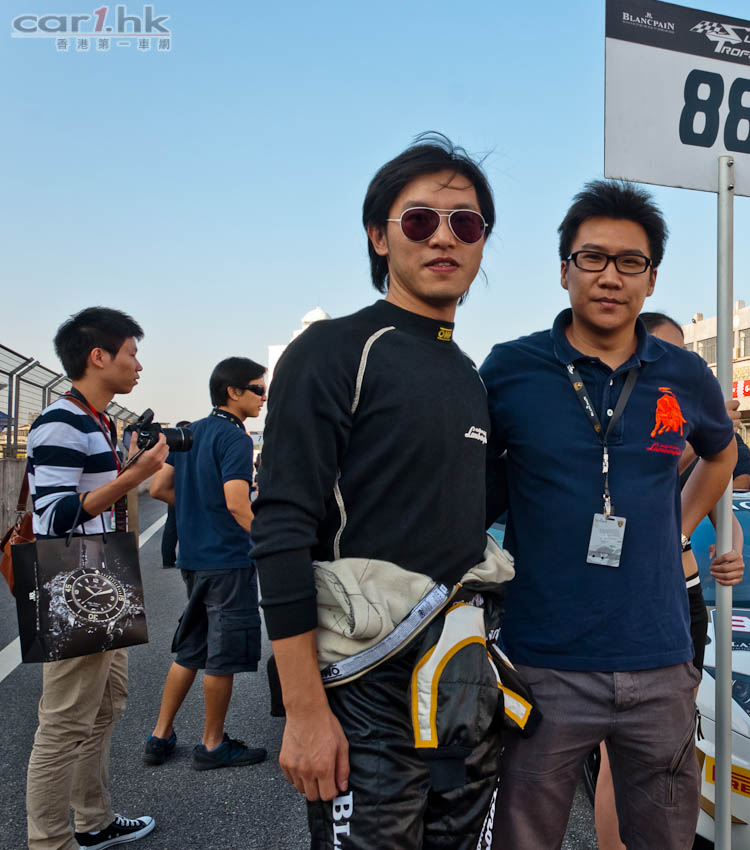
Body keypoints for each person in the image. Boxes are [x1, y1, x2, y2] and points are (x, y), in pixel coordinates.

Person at [251, 133, 507, 849]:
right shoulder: (334, 350)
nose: (444, 237)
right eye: (419, 220)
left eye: (466, 222)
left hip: (458, 676)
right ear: (378, 236)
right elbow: (280, 530)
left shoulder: (469, 374)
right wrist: (305, 712)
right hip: (362, 684)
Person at [481, 180, 743, 850]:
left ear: (651, 279)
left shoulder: (684, 373)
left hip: (660, 660)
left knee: (665, 838)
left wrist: (678, 528)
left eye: (631, 262)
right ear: (563, 269)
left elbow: (721, 454)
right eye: (592, 258)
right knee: (524, 838)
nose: (610, 276)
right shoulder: (510, 370)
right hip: (542, 661)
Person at [588, 311, 745, 850]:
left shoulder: (695, 423)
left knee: (671, 746)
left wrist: (732, 552)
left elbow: (726, 511)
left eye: (682, 353)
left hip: (684, 599)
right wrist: (703, 434)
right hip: (620, 598)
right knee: (617, 751)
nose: (673, 364)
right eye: (661, 350)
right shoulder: (608, 420)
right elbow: (640, 474)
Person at [25, 307, 168, 850]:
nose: (138, 365)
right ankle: (50, 842)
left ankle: (94, 820)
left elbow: (96, 502)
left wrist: (129, 466)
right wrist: (135, 475)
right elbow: (55, 516)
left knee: (108, 704)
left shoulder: (99, 421)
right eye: (132, 353)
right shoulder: (61, 421)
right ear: (99, 356)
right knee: (63, 723)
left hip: (105, 571)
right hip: (74, 578)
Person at [144, 359, 268, 770]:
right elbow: (237, 503)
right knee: (222, 654)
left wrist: (198, 506)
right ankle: (212, 744)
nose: (264, 397)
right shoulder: (236, 437)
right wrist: (272, 544)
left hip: (193, 558)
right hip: (227, 559)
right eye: (258, 389)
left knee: (190, 649)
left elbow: (158, 487)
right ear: (234, 392)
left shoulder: (190, 432)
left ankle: (160, 735)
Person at [158, 421, 190, 569]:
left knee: (171, 526)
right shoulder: (190, 450)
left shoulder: (171, 451)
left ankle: (167, 560)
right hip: (187, 493)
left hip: (174, 492)